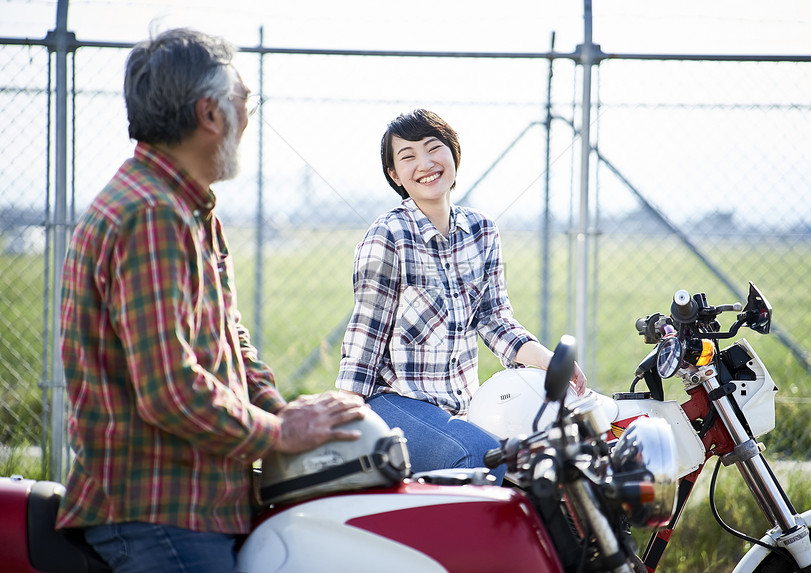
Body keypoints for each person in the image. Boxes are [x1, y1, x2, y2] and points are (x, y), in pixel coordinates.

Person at [55, 28, 366, 573]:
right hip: (160, 516)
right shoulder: (152, 215)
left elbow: (229, 346)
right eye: (245, 101)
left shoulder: (187, 209)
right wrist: (281, 434)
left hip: (196, 507)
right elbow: (170, 388)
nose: (248, 118)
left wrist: (281, 410)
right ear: (211, 115)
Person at [336, 109, 586, 484]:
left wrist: (550, 362)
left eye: (433, 148)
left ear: (453, 154)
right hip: (392, 403)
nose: (424, 163)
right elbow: (364, 340)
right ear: (395, 175)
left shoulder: (482, 230)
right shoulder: (387, 236)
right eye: (407, 157)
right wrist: (342, 423)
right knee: (479, 456)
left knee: (542, 454)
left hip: (458, 407)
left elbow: (494, 319)